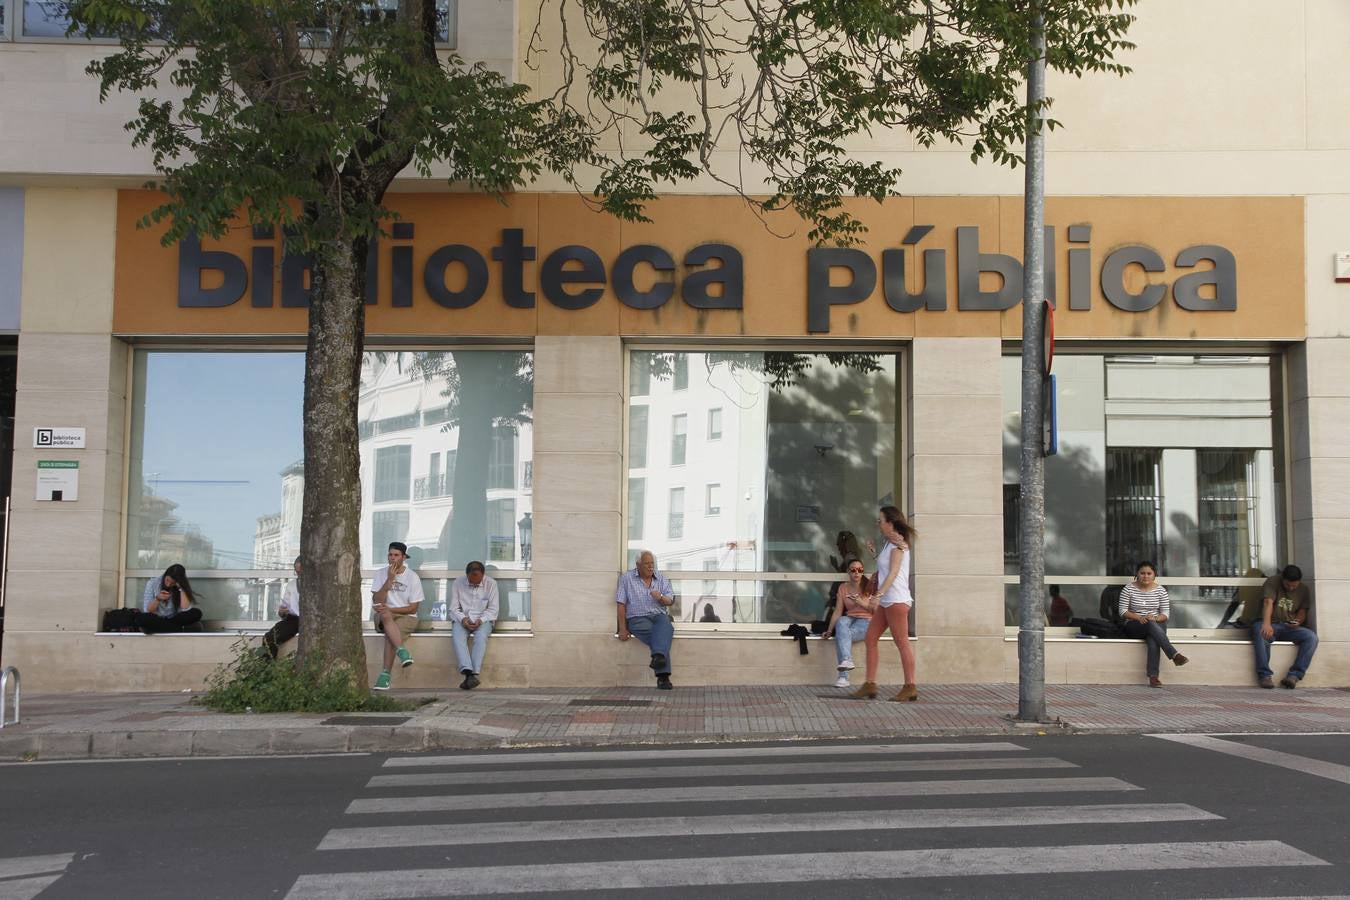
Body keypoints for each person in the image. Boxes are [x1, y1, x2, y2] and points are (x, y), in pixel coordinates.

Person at [850, 507, 918, 702]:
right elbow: (886, 568)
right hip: (888, 601)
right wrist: (874, 554)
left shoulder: (898, 544)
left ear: (890, 522)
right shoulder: (889, 543)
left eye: (880, 520)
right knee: (871, 638)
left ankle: (910, 686)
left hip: (896, 600)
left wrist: (877, 595)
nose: (877, 524)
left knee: (902, 643)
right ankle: (869, 684)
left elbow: (894, 573)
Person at [1118, 561, 1189, 687]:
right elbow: (1122, 611)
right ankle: (1174, 655)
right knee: (1151, 627)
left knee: (1153, 638)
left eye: (1149, 573)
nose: (1145, 576)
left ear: (1154, 575)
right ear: (1137, 574)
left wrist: (1155, 618)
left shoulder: (1161, 591)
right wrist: (1139, 617)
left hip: (1155, 624)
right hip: (1135, 625)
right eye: (1142, 573)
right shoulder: (1128, 589)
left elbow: (1165, 614)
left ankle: (1153, 678)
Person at [616, 550, 675, 690]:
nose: (650, 567)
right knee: (661, 637)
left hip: (659, 615)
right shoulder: (626, 578)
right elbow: (621, 604)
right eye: (647, 564)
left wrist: (660, 597)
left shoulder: (661, 578)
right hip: (637, 618)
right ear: (638, 565)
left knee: (665, 627)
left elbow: (670, 600)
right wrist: (622, 629)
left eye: (652, 563)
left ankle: (658, 659)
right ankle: (663, 677)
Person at [1252, 564, 1318, 689]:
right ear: (1283, 578)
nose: (1291, 588)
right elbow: (1268, 602)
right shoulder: (1273, 581)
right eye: (1288, 585)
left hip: (1288, 626)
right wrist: (1266, 624)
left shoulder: (1304, 589)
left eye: (1294, 586)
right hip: (1270, 623)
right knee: (1260, 632)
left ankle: (1294, 676)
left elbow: (1303, 611)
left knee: (1311, 637)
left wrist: (1297, 621)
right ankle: (1265, 676)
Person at [370, 541, 423, 691]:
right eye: (390, 555)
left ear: (404, 557)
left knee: (391, 633)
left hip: (407, 617)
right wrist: (389, 581)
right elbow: (377, 601)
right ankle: (401, 650)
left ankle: (385, 676)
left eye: (396, 555)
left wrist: (392, 610)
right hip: (383, 616)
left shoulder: (412, 577)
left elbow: (413, 608)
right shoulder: (381, 573)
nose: (392, 558)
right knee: (386, 615)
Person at [822, 557, 874, 689]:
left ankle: (843, 677)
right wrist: (829, 630)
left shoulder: (870, 586)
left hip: (867, 621)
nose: (857, 573)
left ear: (863, 571)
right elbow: (838, 611)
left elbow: (876, 610)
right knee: (841, 620)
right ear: (848, 572)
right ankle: (847, 661)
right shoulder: (843, 587)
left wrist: (860, 602)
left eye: (860, 570)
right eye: (853, 570)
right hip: (850, 619)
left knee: (842, 635)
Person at [450, 560, 498, 690]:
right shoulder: (458, 583)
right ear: (467, 575)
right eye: (472, 582)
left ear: (483, 575)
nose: (475, 584)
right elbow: (453, 608)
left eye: (478, 582)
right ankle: (469, 672)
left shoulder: (491, 584)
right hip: (462, 618)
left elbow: (493, 609)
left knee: (481, 637)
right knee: (457, 636)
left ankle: (471, 674)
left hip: (484, 619)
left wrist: (480, 620)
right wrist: (463, 619)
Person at [135, 563, 204, 634]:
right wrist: (157, 599)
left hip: (174, 618)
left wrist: (181, 588)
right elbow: (147, 610)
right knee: (141, 619)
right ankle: (180, 629)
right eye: (167, 580)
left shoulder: (179, 587)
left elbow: (185, 609)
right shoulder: (152, 583)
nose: (168, 584)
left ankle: (158, 628)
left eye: (173, 583)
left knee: (197, 613)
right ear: (165, 574)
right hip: (156, 618)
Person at [260, 557, 302, 659]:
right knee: (269, 638)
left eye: (301, 572)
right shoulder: (291, 585)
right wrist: (282, 612)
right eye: (296, 572)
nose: (298, 575)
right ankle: (267, 667)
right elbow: (284, 608)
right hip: (294, 619)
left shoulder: (317, 584)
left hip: (311, 619)